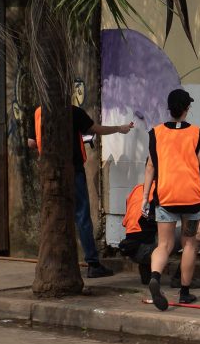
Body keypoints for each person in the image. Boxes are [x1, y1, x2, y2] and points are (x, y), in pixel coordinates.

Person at [141, 89, 200, 311]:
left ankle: (155, 277)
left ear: (170, 109)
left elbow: (150, 167)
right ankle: (185, 293)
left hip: (166, 197)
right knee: (188, 243)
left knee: (164, 244)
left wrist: (145, 198)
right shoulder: (197, 133)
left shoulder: (155, 133)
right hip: (192, 200)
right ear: (187, 109)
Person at [30, 104, 134, 278]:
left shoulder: (39, 112)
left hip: (49, 172)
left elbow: (32, 142)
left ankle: (52, 261)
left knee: (53, 214)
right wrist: (119, 128)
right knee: (82, 215)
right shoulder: (73, 111)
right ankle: (93, 263)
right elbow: (95, 129)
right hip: (73, 169)